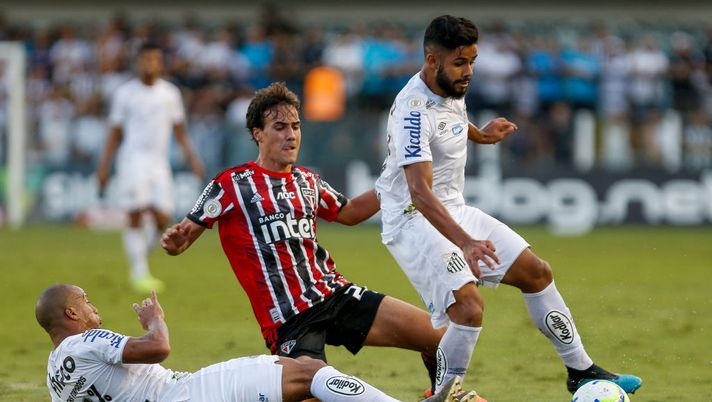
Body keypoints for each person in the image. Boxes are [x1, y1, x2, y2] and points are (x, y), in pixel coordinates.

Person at [160, 82, 482, 402]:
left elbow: (351, 212)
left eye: (296, 127)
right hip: (290, 321)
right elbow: (184, 237)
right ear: (258, 133)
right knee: (314, 392)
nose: (291, 135)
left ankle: (440, 396)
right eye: (280, 127)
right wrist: (176, 240)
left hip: (335, 295)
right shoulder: (232, 184)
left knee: (440, 339)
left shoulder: (307, 180)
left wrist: (398, 178)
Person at [374, 15, 643, 397]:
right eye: (460, 63)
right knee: (468, 310)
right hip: (414, 220)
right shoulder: (412, 112)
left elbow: (449, 118)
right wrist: (466, 242)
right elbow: (419, 192)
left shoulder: (449, 86)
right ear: (432, 61)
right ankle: (445, 395)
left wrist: (480, 135)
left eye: (473, 61)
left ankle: (580, 371)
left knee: (536, 272)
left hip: (453, 209)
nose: (469, 72)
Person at [36, 284, 468, 402]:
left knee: (308, 397)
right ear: (71, 315)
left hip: (182, 392)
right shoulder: (90, 339)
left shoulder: (55, 374)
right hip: (186, 394)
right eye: (85, 303)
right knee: (305, 371)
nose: (93, 309)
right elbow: (157, 350)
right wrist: (155, 323)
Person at [96, 42, 205, 294]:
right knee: (135, 213)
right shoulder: (125, 93)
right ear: (138, 62)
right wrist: (104, 166)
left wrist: (192, 157)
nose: (150, 64)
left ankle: (139, 258)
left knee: (162, 218)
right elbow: (114, 132)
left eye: (155, 59)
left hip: (159, 162)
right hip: (133, 160)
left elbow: (180, 130)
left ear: (161, 63)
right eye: (146, 59)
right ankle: (138, 272)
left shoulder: (170, 93)